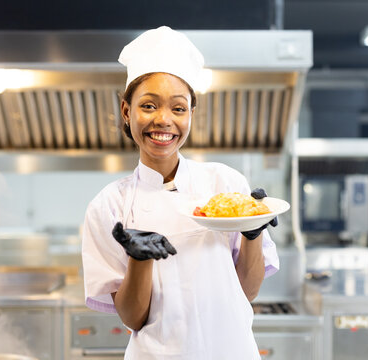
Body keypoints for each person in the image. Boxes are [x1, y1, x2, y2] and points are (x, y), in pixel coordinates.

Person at [82, 26, 279, 360]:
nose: (163, 120)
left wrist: (252, 233)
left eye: (178, 108)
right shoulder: (110, 206)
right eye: (148, 106)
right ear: (127, 111)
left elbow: (247, 290)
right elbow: (133, 318)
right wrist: (139, 260)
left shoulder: (226, 185)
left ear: (191, 114)